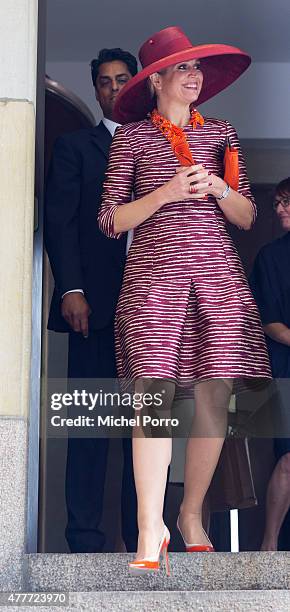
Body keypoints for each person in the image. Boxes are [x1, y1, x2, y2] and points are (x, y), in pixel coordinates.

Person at [98, 26, 271, 573]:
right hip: (155, 280)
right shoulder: (132, 139)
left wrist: (221, 189)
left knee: (213, 398)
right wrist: (168, 191)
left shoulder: (222, 135)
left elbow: (247, 216)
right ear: (156, 82)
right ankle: (151, 530)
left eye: (198, 69)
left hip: (218, 277)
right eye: (182, 68)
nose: (194, 77)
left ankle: (191, 516)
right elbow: (110, 220)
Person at [44, 47, 139, 553]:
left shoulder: (158, 145)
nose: (114, 87)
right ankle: (83, 540)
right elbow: (60, 222)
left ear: (137, 84)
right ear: (97, 90)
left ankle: (145, 535)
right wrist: (72, 289)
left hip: (151, 313)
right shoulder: (76, 147)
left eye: (123, 79)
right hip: (93, 311)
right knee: (90, 429)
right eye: (104, 81)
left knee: (147, 432)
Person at [250, 177, 290, 550]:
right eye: (277, 203)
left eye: (285, 203)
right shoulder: (271, 258)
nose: (278, 210)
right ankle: (270, 545)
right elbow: (270, 322)